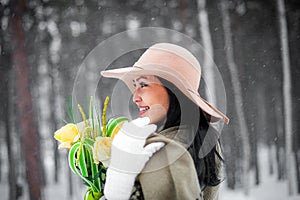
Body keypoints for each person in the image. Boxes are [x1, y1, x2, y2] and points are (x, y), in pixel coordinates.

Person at [100, 43, 229, 200]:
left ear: (173, 90)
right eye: (135, 86)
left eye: (143, 84)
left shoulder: (158, 151)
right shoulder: (206, 139)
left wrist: (115, 190)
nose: (134, 97)